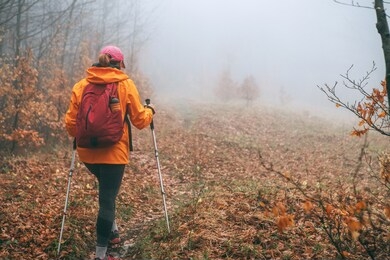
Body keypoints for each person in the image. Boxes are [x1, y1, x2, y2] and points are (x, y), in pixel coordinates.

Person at [64, 45, 154, 260]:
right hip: (114, 154)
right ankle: (101, 255)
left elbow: (70, 124)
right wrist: (150, 111)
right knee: (107, 200)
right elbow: (140, 120)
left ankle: (113, 233)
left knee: (107, 193)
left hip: (88, 154)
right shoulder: (125, 84)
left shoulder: (81, 85)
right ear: (119, 65)